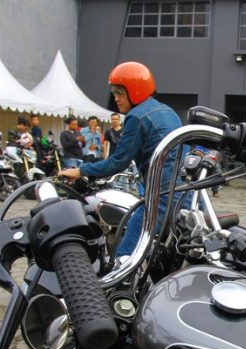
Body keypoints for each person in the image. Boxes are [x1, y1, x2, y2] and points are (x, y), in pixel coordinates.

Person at [58, 61, 186, 257]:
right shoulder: (168, 111)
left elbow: (118, 161)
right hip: (186, 192)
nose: (116, 98)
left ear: (135, 90)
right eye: (114, 93)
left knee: (125, 254)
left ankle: (121, 274)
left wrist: (80, 170)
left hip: (162, 197)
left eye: (119, 92)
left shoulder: (136, 117)